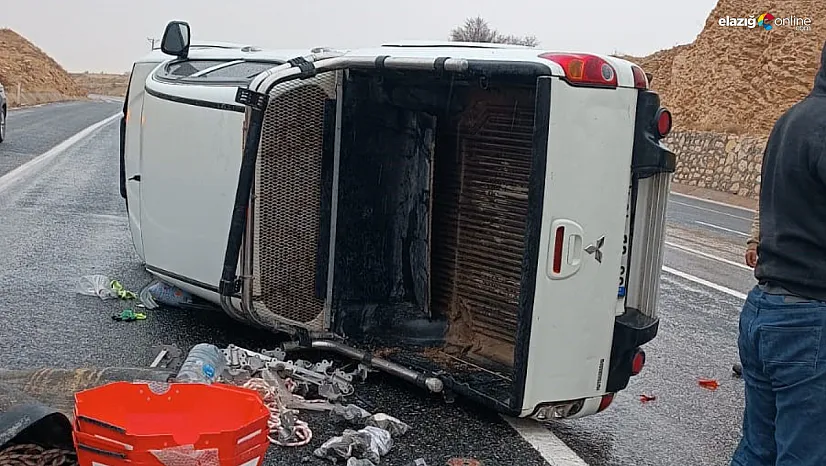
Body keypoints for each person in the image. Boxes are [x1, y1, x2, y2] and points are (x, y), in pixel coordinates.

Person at [731, 40, 826, 466]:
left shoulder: (792, 119)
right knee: (803, 456)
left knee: (758, 449)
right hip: (810, 318)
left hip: (766, 310)